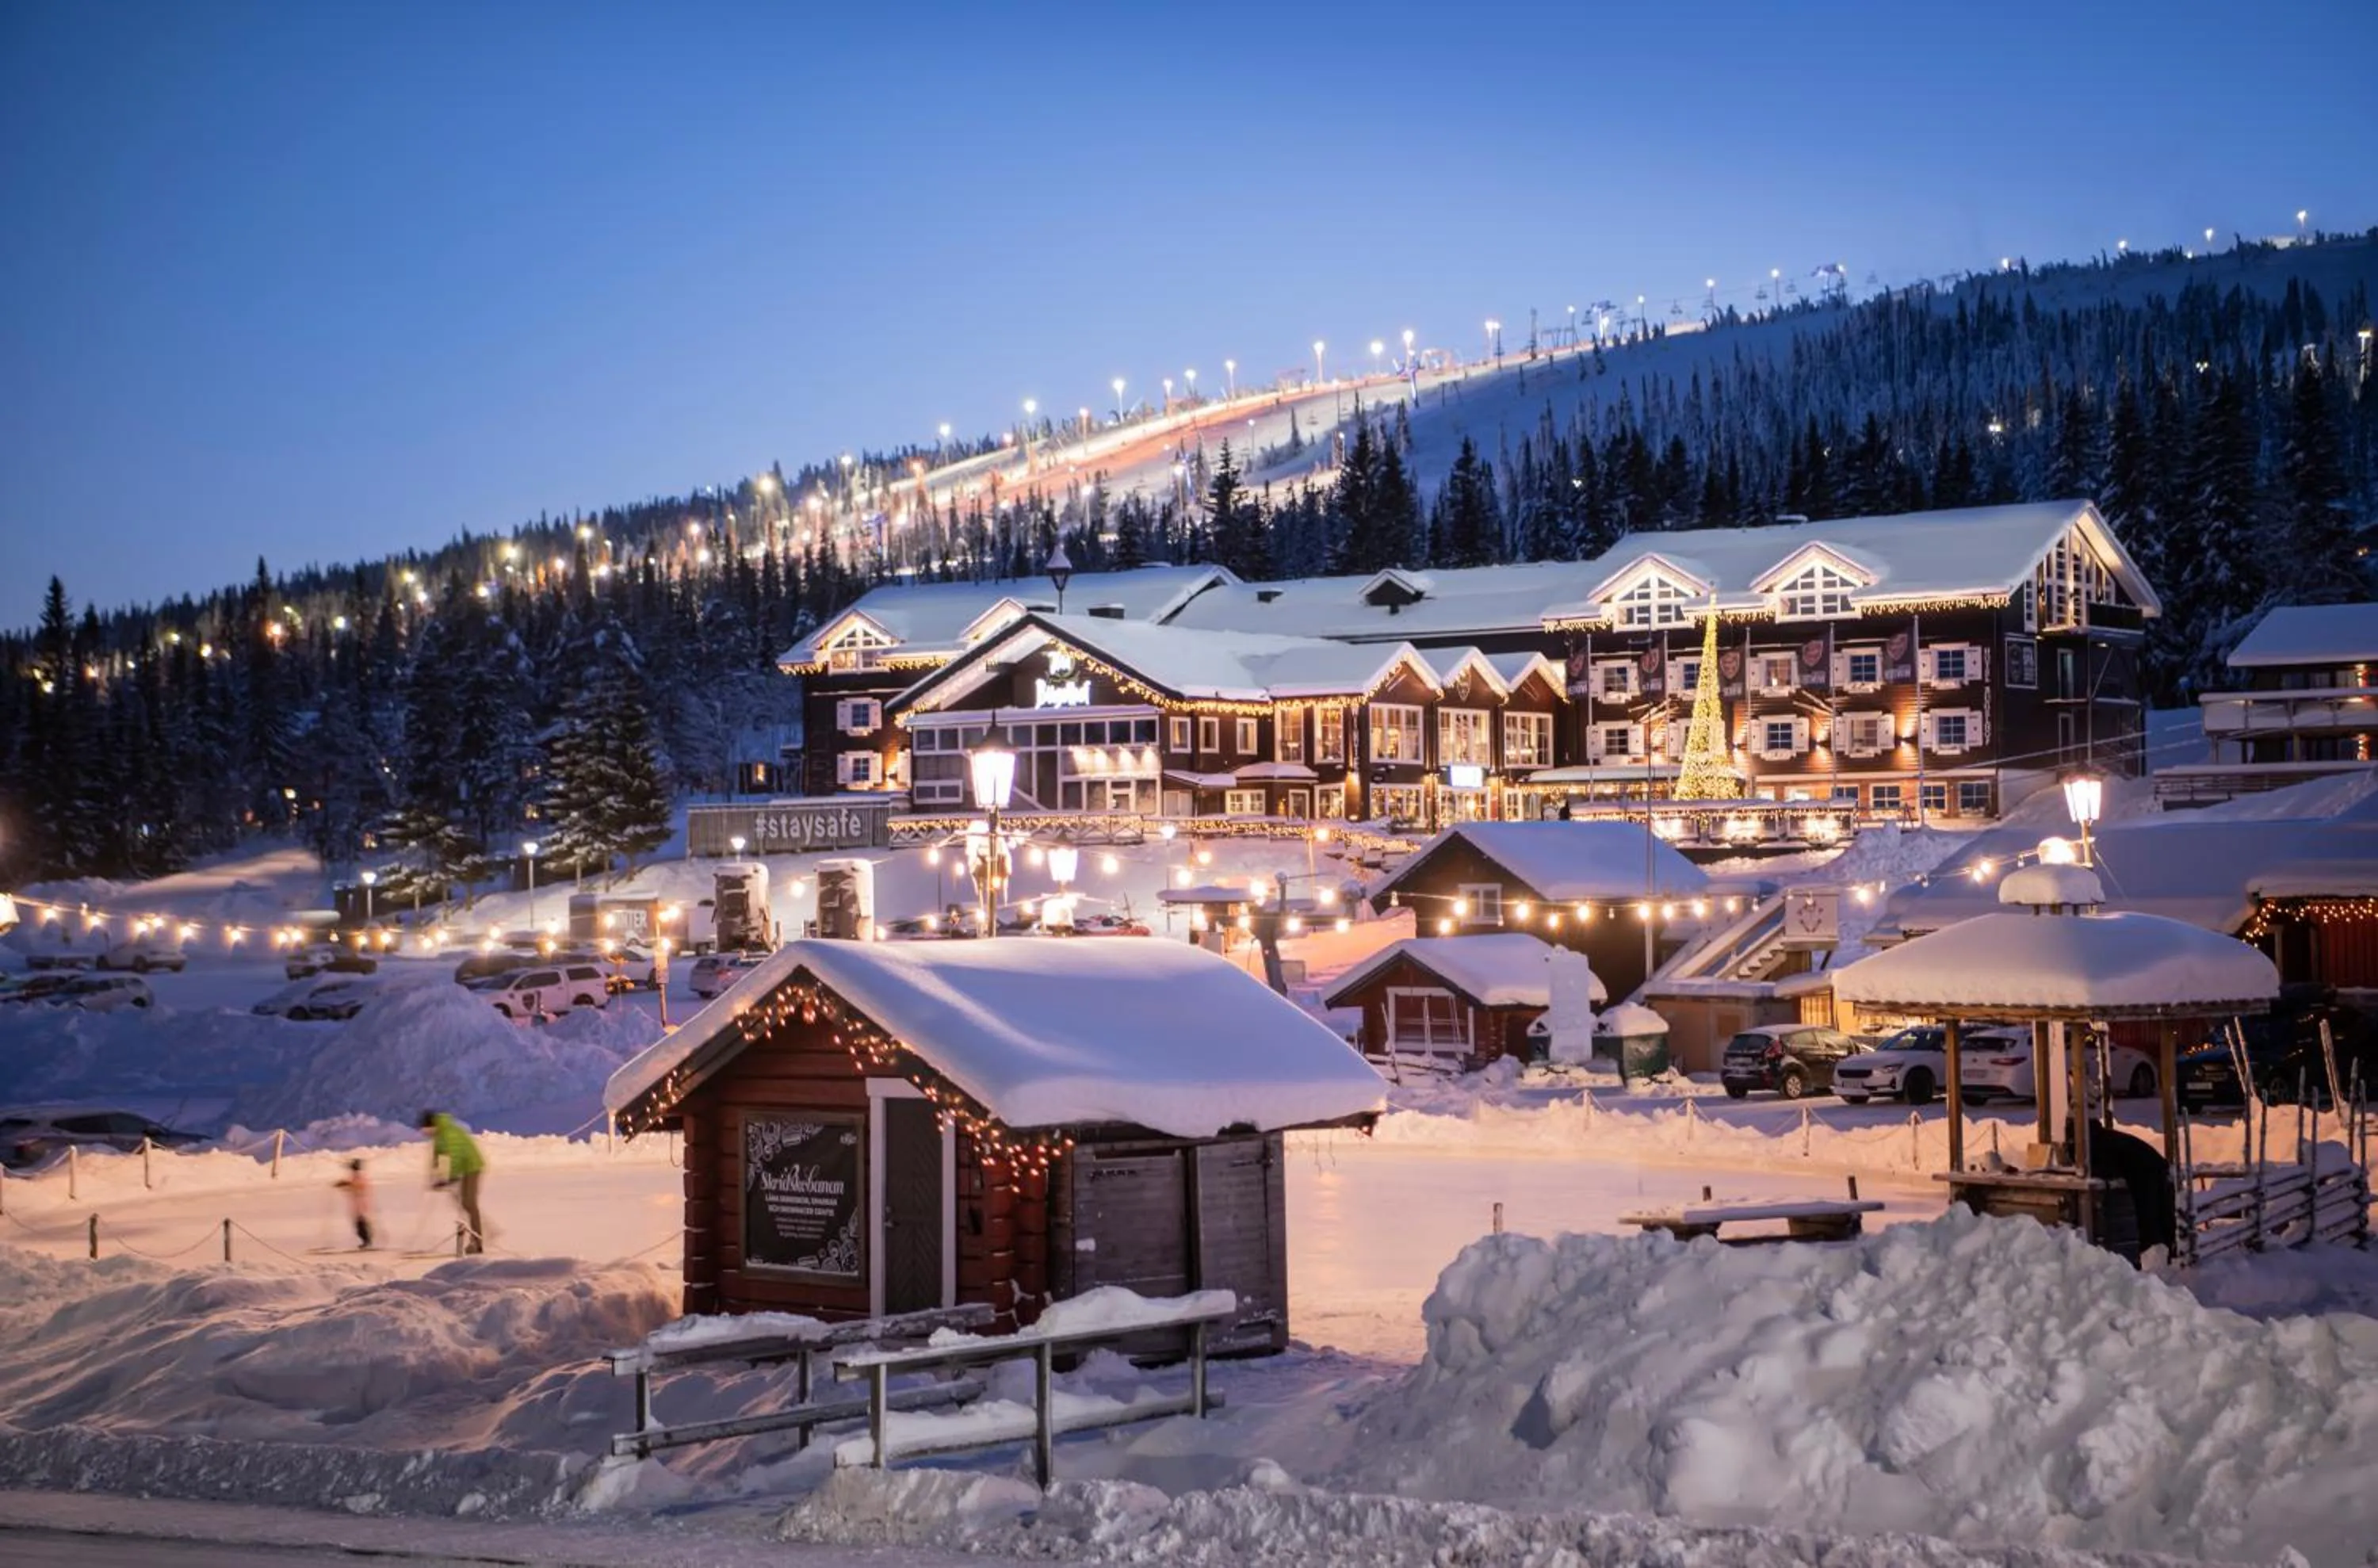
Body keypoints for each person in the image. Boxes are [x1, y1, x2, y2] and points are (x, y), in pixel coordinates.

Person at [418, 1109, 486, 1254]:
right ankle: (482, 1232)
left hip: (472, 1167)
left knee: (469, 1203)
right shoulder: (441, 1133)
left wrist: (447, 1178)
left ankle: (478, 1241)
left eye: (427, 1130)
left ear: (431, 1126)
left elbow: (452, 1156)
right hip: (464, 1168)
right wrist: (437, 1176)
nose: (426, 1134)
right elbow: (439, 1156)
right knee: (463, 1203)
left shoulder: (447, 1134)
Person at [333, 1157, 375, 1250]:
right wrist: (344, 1185)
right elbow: (352, 1185)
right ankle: (366, 1241)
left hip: (360, 1202)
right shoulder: (356, 1176)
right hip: (358, 1203)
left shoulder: (359, 1176)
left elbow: (357, 1185)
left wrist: (345, 1184)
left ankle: (366, 1241)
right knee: (360, 1223)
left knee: (361, 1224)